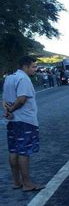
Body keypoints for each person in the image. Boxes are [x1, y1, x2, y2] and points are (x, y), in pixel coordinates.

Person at [2, 56, 44, 192]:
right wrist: (12, 109)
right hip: (25, 121)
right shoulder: (24, 79)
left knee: (13, 150)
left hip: (12, 121)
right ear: (25, 67)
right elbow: (21, 100)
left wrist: (7, 111)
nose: (35, 69)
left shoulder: (9, 78)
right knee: (24, 152)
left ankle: (16, 182)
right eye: (33, 66)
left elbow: (4, 100)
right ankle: (27, 183)